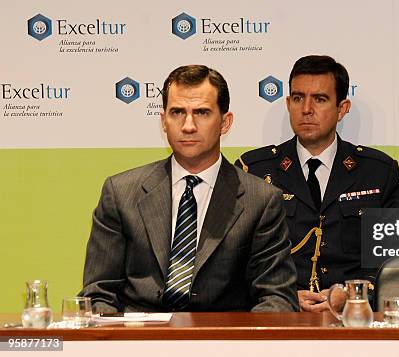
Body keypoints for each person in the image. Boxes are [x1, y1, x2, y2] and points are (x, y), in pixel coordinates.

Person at [81, 65, 298, 313]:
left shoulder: (261, 200)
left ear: (225, 123)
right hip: (140, 341)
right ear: (163, 121)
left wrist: (234, 347)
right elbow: (98, 294)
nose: (188, 125)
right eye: (177, 112)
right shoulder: (121, 193)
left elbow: (277, 297)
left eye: (202, 112)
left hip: (222, 343)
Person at [236, 55, 399, 312]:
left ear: (342, 109)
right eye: (297, 98)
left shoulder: (378, 172)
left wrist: (353, 293)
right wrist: (283, 296)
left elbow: (395, 256)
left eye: (320, 99)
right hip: (279, 317)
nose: (306, 109)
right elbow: (235, 259)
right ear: (288, 103)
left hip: (355, 318)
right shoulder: (253, 171)